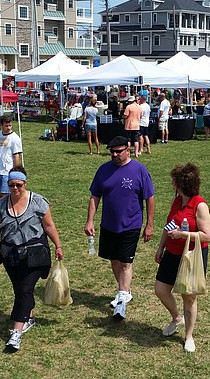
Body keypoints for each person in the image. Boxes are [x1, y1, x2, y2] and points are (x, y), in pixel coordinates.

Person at [0, 166, 64, 351]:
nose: (15, 189)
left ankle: (16, 333)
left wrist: (58, 245)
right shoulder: (1, 206)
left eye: (18, 185)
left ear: (25, 183)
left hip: (35, 253)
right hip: (11, 255)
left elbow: (49, 226)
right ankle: (28, 316)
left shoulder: (38, 202)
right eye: (11, 185)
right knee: (20, 289)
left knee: (25, 289)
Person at [84, 136, 155, 321]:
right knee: (114, 260)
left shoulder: (139, 170)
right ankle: (125, 290)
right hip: (108, 225)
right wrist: (90, 221)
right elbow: (95, 197)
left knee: (125, 263)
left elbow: (149, 198)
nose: (114, 155)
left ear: (128, 149)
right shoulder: (103, 170)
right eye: (112, 152)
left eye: (118, 151)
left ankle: (121, 300)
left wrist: (149, 225)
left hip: (131, 224)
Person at [154, 163, 210, 353]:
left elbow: (207, 235)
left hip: (191, 256)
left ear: (181, 184)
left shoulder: (200, 205)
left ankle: (188, 336)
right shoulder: (177, 201)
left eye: (174, 182)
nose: (172, 185)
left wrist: (183, 235)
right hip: (172, 252)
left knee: (189, 297)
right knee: (161, 289)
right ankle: (177, 318)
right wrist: (161, 247)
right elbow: (169, 225)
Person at [0, 115, 23, 195]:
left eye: (10, 125)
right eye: (6, 126)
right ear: (1, 125)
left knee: (7, 194)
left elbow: (16, 156)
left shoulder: (15, 138)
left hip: (8, 170)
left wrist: (15, 171)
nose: (8, 128)